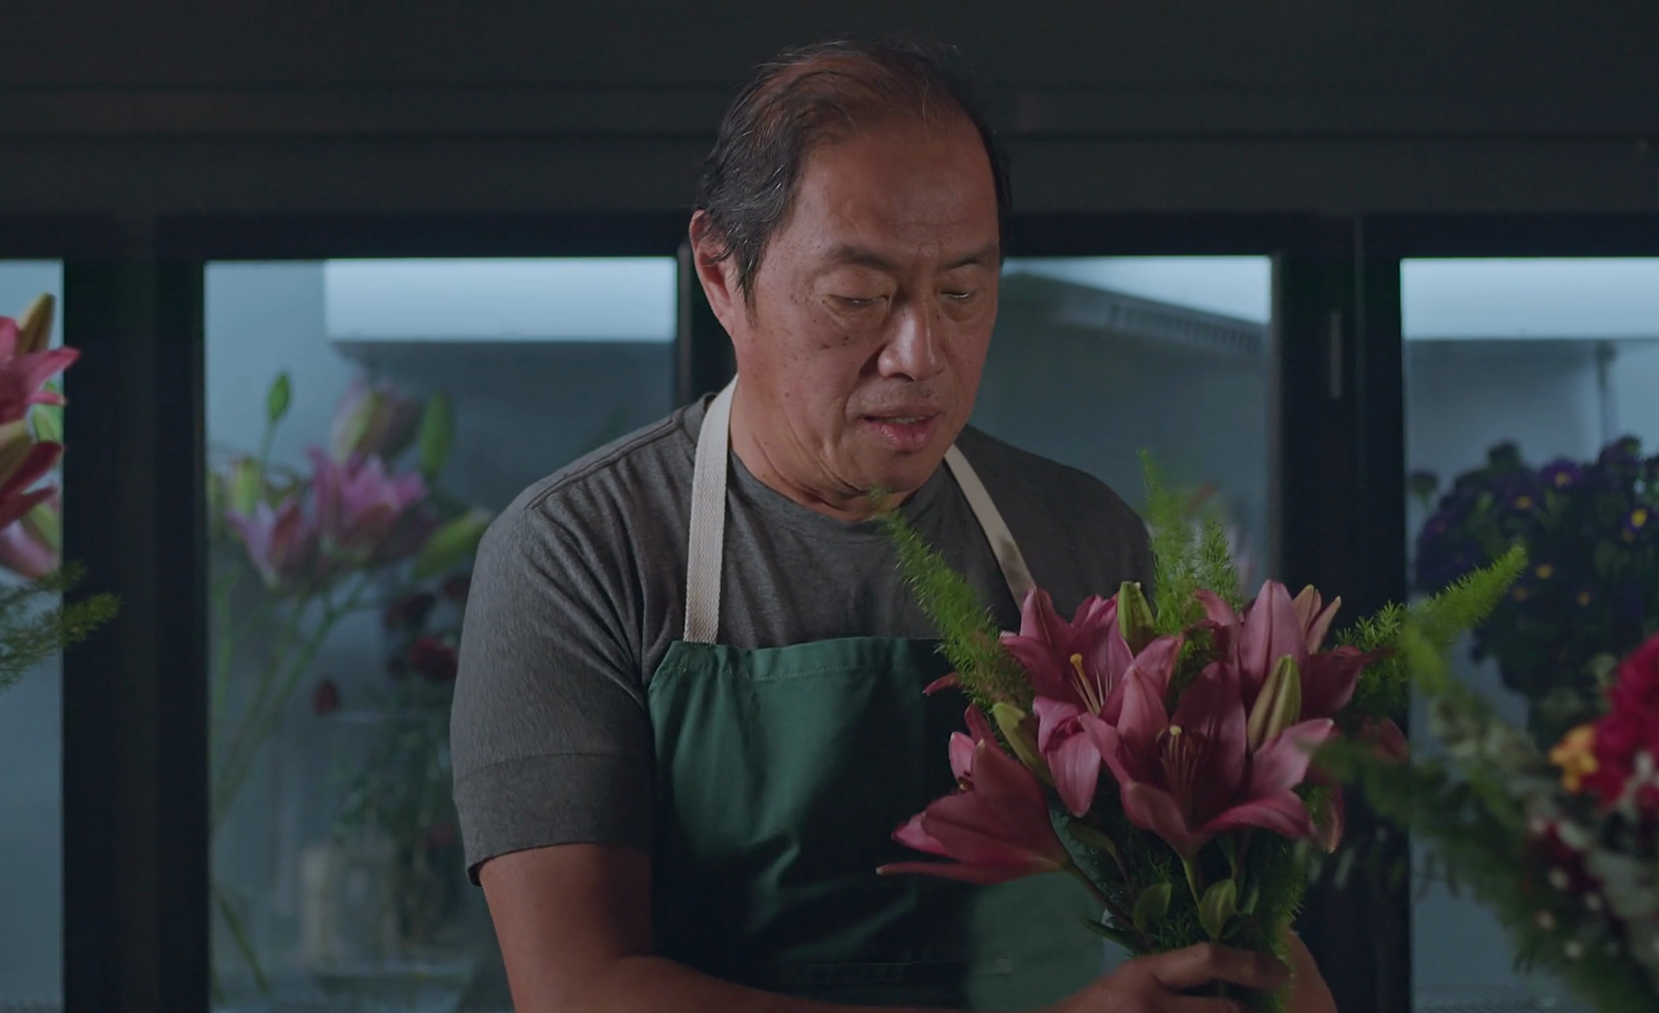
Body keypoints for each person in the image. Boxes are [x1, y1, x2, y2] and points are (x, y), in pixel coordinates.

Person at [451, 38, 1337, 1013]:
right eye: (859, 297)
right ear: (721, 273)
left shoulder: (1082, 537)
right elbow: (578, 988)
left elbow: (1199, 898)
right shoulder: (580, 552)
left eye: (961, 292)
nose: (919, 353)